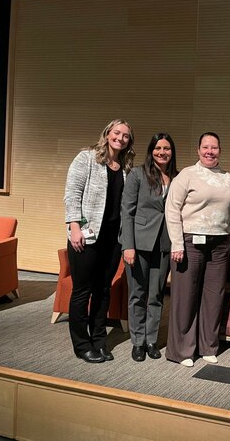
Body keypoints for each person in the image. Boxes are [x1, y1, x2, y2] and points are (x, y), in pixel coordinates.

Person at [64, 119, 135, 363]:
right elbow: (72, 193)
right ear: (107, 134)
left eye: (126, 135)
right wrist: (74, 227)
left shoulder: (125, 167)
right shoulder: (86, 158)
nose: (121, 138)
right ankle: (82, 344)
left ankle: (99, 339)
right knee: (82, 291)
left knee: (103, 291)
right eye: (117, 133)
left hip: (112, 239)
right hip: (86, 236)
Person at [165, 132, 230, 367]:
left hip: (220, 243)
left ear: (220, 150)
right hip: (190, 242)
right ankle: (183, 351)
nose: (210, 151)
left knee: (213, 297)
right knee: (185, 296)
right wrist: (176, 243)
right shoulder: (187, 175)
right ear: (198, 150)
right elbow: (172, 209)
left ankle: (208, 346)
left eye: (214, 148)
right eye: (205, 147)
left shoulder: (229, 179)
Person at [120, 133, 178, 362]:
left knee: (156, 294)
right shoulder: (137, 174)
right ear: (151, 150)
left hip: (164, 243)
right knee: (137, 294)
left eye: (167, 148)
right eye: (158, 148)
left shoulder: (177, 176)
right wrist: (128, 246)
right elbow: (127, 211)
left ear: (172, 152)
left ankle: (151, 339)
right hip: (139, 242)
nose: (162, 152)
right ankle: (137, 342)